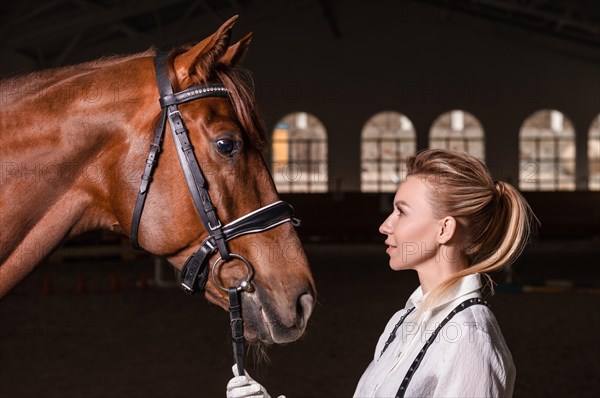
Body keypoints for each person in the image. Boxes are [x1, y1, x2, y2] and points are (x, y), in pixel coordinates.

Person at [226, 149, 536, 398]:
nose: (385, 225)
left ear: (445, 229)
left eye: (402, 211)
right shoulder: (403, 320)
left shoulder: (470, 339)